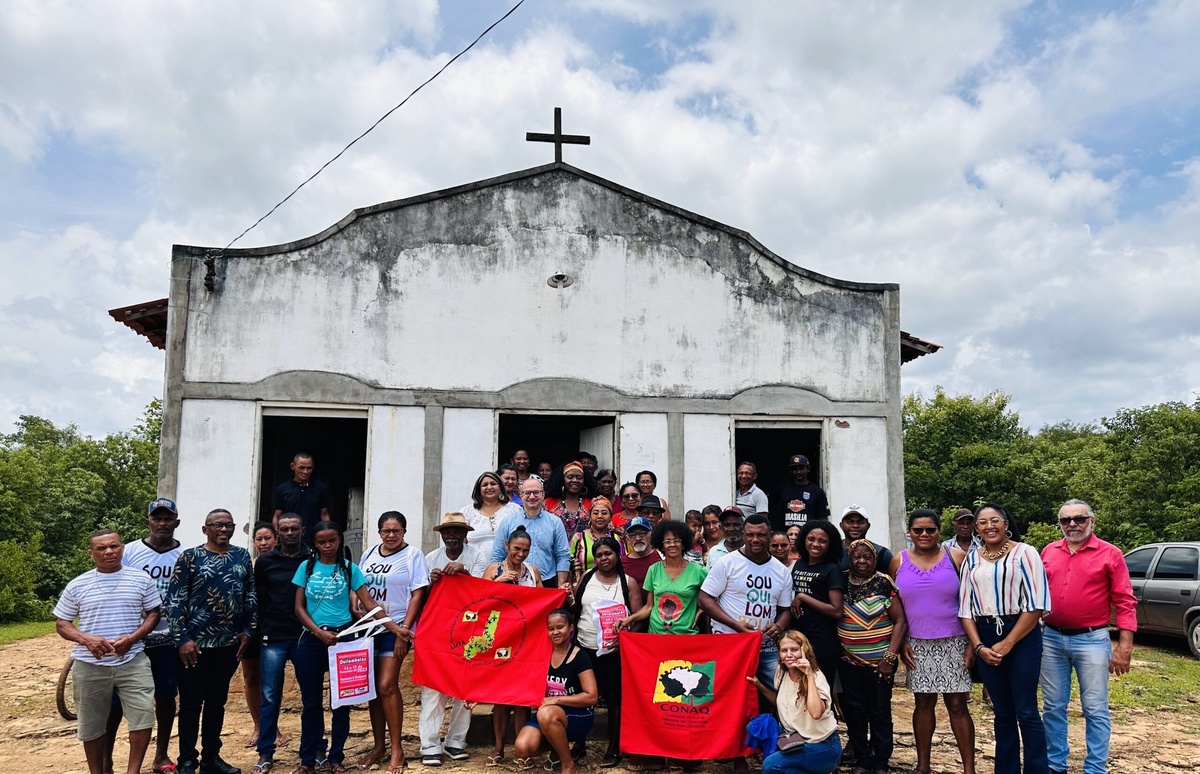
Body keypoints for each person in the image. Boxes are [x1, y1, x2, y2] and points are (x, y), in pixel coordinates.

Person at [1040, 499, 1137, 774]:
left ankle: (1095, 768)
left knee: (1095, 708)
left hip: (1092, 639)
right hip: (1051, 638)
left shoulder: (1110, 553)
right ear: (1059, 524)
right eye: (1066, 520)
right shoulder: (1048, 551)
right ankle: (1055, 764)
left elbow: (1125, 601)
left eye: (1079, 519)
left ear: (1092, 521)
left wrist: (1124, 646)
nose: (1072, 524)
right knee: (1053, 706)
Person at [56, 529, 161, 774]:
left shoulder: (141, 579)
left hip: (133, 659)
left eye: (114, 546)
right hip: (89, 664)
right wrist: (86, 639)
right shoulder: (78, 584)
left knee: (142, 718)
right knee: (91, 724)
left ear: (122, 547)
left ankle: (132, 771)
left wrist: (133, 637)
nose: (109, 551)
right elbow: (62, 623)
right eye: (102, 548)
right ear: (91, 553)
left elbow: (154, 613)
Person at [958, 504, 1051, 774]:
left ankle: (1036, 769)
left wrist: (1008, 643)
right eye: (983, 522)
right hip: (985, 635)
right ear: (976, 529)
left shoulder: (1025, 552)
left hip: (1021, 633)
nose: (989, 526)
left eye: (995, 520)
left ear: (1005, 523)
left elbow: (1036, 604)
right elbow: (965, 609)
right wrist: (979, 646)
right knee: (1002, 711)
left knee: (1026, 708)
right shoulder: (972, 559)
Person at [699, 514, 793, 774]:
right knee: (733, 701)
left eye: (761, 535)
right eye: (749, 534)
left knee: (779, 696)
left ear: (770, 535)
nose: (755, 540)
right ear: (742, 533)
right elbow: (705, 599)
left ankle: (776, 750)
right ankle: (736, 755)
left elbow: (785, 609)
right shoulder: (727, 564)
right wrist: (734, 624)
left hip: (766, 646)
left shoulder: (780, 571)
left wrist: (781, 625)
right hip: (732, 645)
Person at [166, 508, 256, 774]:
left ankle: (210, 759)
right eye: (218, 525)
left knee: (217, 702)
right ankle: (186, 760)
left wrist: (248, 631)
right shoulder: (190, 558)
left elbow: (250, 595)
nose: (224, 529)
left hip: (228, 645)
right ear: (206, 529)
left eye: (229, 525)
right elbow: (174, 601)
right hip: (193, 648)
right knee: (192, 704)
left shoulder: (241, 556)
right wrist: (182, 639)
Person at [292, 521, 387, 774]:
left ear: (339, 541)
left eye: (332, 540)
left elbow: (368, 602)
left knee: (341, 702)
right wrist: (318, 632)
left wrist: (393, 625)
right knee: (310, 703)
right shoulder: (306, 567)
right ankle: (308, 759)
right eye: (322, 541)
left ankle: (336, 758)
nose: (327, 546)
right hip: (312, 640)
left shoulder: (349, 569)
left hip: (345, 640)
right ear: (315, 543)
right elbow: (298, 607)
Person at [889, 510, 975, 774]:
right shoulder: (898, 561)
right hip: (916, 643)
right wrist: (900, 640)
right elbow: (895, 605)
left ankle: (969, 768)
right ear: (909, 533)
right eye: (918, 530)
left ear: (939, 531)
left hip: (955, 640)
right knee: (923, 704)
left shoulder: (957, 557)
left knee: (958, 705)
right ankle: (923, 765)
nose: (924, 535)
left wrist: (973, 642)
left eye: (930, 530)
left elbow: (972, 601)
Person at [108, 498, 182, 774]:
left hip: (167, 638)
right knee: (116, 700)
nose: (162, 523)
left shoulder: (184, 554)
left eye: (168, 518)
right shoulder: (130, 553)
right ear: (147, 522)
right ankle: (107, 759)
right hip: (130, 638)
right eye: (157, 518)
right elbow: (113, 586)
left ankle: (161, 755)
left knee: (165, 696)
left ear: (177, 522)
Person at [358, 512, 431, 774]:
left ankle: (397, 748)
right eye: (386, 531)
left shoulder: (413, 556)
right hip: (368, 627)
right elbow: (360, 588)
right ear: (379, 532)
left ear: (404, 532)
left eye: (396, 531)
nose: (391, 535)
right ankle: (379, 746)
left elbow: (417, 594)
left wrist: (404, 630)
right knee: (373, 689)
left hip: (397, 627)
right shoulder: (368, 554)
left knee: (387, 685)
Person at [419, 512, 488, 766]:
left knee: (464, 687)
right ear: (441, 535)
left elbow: (483, 592)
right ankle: (429, 743)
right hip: (437, 630)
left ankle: (456, 741)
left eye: (457, 531)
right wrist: (431, 582)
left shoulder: (477, 557)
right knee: (433, 687)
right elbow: (421, 596)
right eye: (447, 532)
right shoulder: (430, 558)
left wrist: (465, 571)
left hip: (468, 631)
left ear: (465, 534)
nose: (451, 536)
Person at [572, 537, 643, 767]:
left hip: (613, 651)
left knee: (614, 698)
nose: (604, 558)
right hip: (585, 647)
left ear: (617, 554)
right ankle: (579, 743)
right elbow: (576, 608)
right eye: (599, 554)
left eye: (608, 553)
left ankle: (613, 747)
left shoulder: (628, 582)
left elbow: (639, 616)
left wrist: (626, 640)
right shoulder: (586, 578)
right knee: (583, 697)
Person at [839, 539, 907, 774]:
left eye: (867, 557)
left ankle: (881, 762)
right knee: (855, 711)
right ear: (850, 557)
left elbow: (900, 621)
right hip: (848, 661)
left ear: (875, 559)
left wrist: (889, 658)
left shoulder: (883, 582)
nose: (862, 561)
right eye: (856, 556)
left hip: (880, 663)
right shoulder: (841, 581)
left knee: (879, 711)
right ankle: (862, 760)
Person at [253, 513, 311, 774]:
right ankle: (266, 753)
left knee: (310, 697)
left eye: (294, 529)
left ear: (302, 530)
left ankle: (313, 751)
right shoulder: (265, 562)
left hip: (305, 636)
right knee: (269, 697)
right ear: (278, 532)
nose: (289, 533)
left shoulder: (313, 559)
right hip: (274, 636)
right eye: (284, 529)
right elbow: (259, 598)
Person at [511, 610, 598, 774]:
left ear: (571, 628)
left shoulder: (580, 656)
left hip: (578, 714)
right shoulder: (543, 654)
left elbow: (591, 696)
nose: (556, 632)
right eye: (551, 628)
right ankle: (558, 748)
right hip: (549, 713)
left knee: (545, 714)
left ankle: (568, 765)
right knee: (522, 748)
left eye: (560, 627)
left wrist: (556, 700)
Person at [484, 526, 541, 765]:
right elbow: (481, 602)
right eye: (517, 548)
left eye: (525, 550)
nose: (521, 554)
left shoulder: (532, 570)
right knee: (501, 697)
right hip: (500, 639)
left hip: (526, 640)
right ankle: (498, 748)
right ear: (507, 546)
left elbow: (542, 601)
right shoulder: (493, 569)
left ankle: (521, 749)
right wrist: (499, 582)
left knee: (522, 697)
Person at [748, 631, 842, 774]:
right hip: (794, 739)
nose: (789, 655)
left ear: (804, 650)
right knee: (758, 725)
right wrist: (760, 686)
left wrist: (809, 674)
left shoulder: (816, 677)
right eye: (784, 650)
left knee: (771, 765)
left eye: (794, 650)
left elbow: (816, 713)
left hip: (822, 746)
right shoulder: (781, 672)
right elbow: (781, 703)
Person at [616, 520, 706, 636]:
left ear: (683, 544)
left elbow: (714, 596)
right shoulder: (653, 569)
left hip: (687, 636)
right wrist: (628, 620)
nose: (672, 544)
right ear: (661, 546)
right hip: (656, 636)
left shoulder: (698, 571)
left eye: (676, 541)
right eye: (667, 541)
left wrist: (701, 611)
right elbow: (649, 607)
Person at [789, 520, 844, 689]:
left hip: (822, 639)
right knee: (799, 687)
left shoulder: (832, 569)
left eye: (822, 541)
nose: (815, 544)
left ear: (830, 544)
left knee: (820, 689)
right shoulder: (799, 563)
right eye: (811, 538)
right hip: (798, 637)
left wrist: (803, 597)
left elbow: (836, 611)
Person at [490, 476, 571, 591]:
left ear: (543, 495)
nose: (532, 496)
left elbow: (563, 556)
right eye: (528, 493)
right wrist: (501, 577)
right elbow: (497, 556)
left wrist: (560, 587)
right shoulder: (507, 523)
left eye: (536, 492)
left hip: (546, 582)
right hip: (513, 583)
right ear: (521, 495)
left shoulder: (555, 522)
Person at [241, 522, 281, 752]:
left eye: (268, 538)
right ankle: (258, 726)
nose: (264, 543)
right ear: (254, 542)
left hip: (275, 627)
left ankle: (273, 728)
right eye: (259, 539)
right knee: (251, 677)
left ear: (276, 539)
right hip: (250, 628)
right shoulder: (247, 565)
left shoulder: (283, 563)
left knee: (273, 680)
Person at [271, 452, 331, 536]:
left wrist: (326, 533)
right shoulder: (282, 489)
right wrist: (277, 534)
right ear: (293, 466)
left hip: (314, 536)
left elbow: (324, 514)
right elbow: (277, 516)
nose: (305, 471)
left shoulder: (321, 488)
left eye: (309, 468)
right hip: (289, 536)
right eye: (301, 468)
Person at [461, 471, 521, 550]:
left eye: (493, 484)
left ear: (500, 487)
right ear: (479, 490)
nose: (489, 487)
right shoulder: (467, 512)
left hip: (506, 561)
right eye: (485, 485)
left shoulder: (514, 509)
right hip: (473, 562)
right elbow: (461, 542)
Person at [570, 497, 622, 581]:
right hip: (584, 586)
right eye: (595, 513)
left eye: (604, 513)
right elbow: (567, 563)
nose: (600, 516)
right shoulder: (579, 538)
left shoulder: (616, 538)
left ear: (610, 517)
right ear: (589, 516)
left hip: (612, 584)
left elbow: (623, 563)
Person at [774, 454, 829, 531]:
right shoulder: (782, 489)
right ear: (790, 471)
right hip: (786, 538)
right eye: (795, 469)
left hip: (809, 538)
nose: (798, 472)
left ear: (808, 469)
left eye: (802, 468)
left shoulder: (818, 492)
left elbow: (823, 518)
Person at [545, 461, 595, 537]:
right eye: (570, 477)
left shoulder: (593, 503)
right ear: (562, 480)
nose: (575, 480)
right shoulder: (548, 502)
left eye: (579, 477)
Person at [837, 506, 893, 574]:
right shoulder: (831, 553)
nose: (855, 525)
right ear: (841, 525)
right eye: (850, 522)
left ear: (868, 525)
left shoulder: (883, 554)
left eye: (860, 522)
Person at [619, 517, 662, 589]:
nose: (638, 538)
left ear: (651, 535)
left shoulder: (661, 558)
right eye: (633, 534)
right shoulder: (621, 563)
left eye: (642, 533)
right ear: (627, 539)